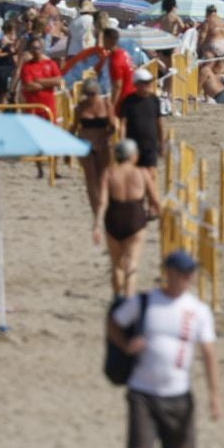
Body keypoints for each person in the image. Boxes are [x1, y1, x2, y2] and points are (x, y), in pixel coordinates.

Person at [108, 249, 222, 448]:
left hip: (179, 394)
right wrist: (125, 344)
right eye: (182, 271)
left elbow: (209, 352)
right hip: (142, 390)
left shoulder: (198, 310)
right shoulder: (145, 301)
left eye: (191, 272)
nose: (187, 277)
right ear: (168, 272)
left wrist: (214, 395)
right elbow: (114, 322)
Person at [97, 139, 161, 298]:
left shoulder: (109, 173)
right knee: (131, 265)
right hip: (135, 220)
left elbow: (102, 201)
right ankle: (129, 299)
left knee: (117, 265)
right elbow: (155, 200)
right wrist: (163, 219)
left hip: (114, 218)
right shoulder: (142, 173)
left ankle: (117, 299)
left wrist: (96, 224)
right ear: (134, 156)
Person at [117, 69, 166, 194]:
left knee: (151, 174)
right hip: (133, 145)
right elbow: (123, 123)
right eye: (145, 83)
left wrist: (162, 143)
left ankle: (151, 204)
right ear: (136, 84)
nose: (148, 85)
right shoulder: (128, 101)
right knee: (135, 175)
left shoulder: (154, 100)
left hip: (150, 144)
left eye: (149, 82)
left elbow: (159, 123)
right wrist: (122, 142)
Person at [75, 80, 116, 220]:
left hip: (103, 144)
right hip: (85, 144)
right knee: (90, 179)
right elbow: (74, 127)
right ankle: (96, 213)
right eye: (87, 94)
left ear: (98, 92)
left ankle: (104, 207)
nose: (90, 97)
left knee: (103, 178)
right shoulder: (80, 107)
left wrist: (104, 138)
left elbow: (113, 126)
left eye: (93, 94)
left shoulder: (106, 104)